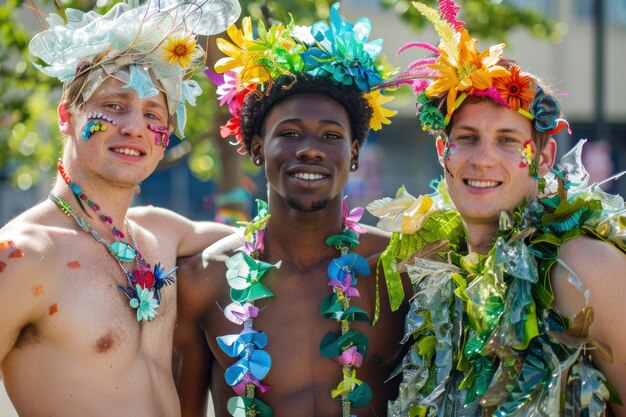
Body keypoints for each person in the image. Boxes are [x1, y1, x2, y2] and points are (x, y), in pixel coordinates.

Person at [367, 1, 626, 416]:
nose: (482, 159)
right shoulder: (429, 273)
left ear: (543, 159)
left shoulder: (585, 268)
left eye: (507, 140)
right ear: (443, 153)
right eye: (467, 138)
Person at [0, 1, 240, 416]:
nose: (134, 127)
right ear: (66, 115)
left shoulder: (161, 233)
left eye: (153, 113)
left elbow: (273, 241)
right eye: (113, 106)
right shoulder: (24, 255)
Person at [174, 4, 408, 416]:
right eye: (290, 133)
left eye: (331, 135)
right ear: (258, 149)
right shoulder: (204, 280)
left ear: (353, 154)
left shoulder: (399, 270)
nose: (311, 148)